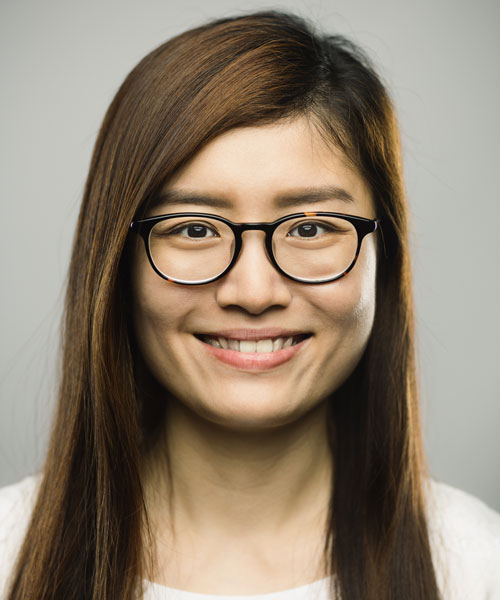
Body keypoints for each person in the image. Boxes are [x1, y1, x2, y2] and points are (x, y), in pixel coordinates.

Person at [1, 10, 499, 600]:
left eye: (311, 229)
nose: (254, 293)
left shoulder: (479, 568)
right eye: (193, 229)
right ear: (116, 263)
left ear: (382, 255)